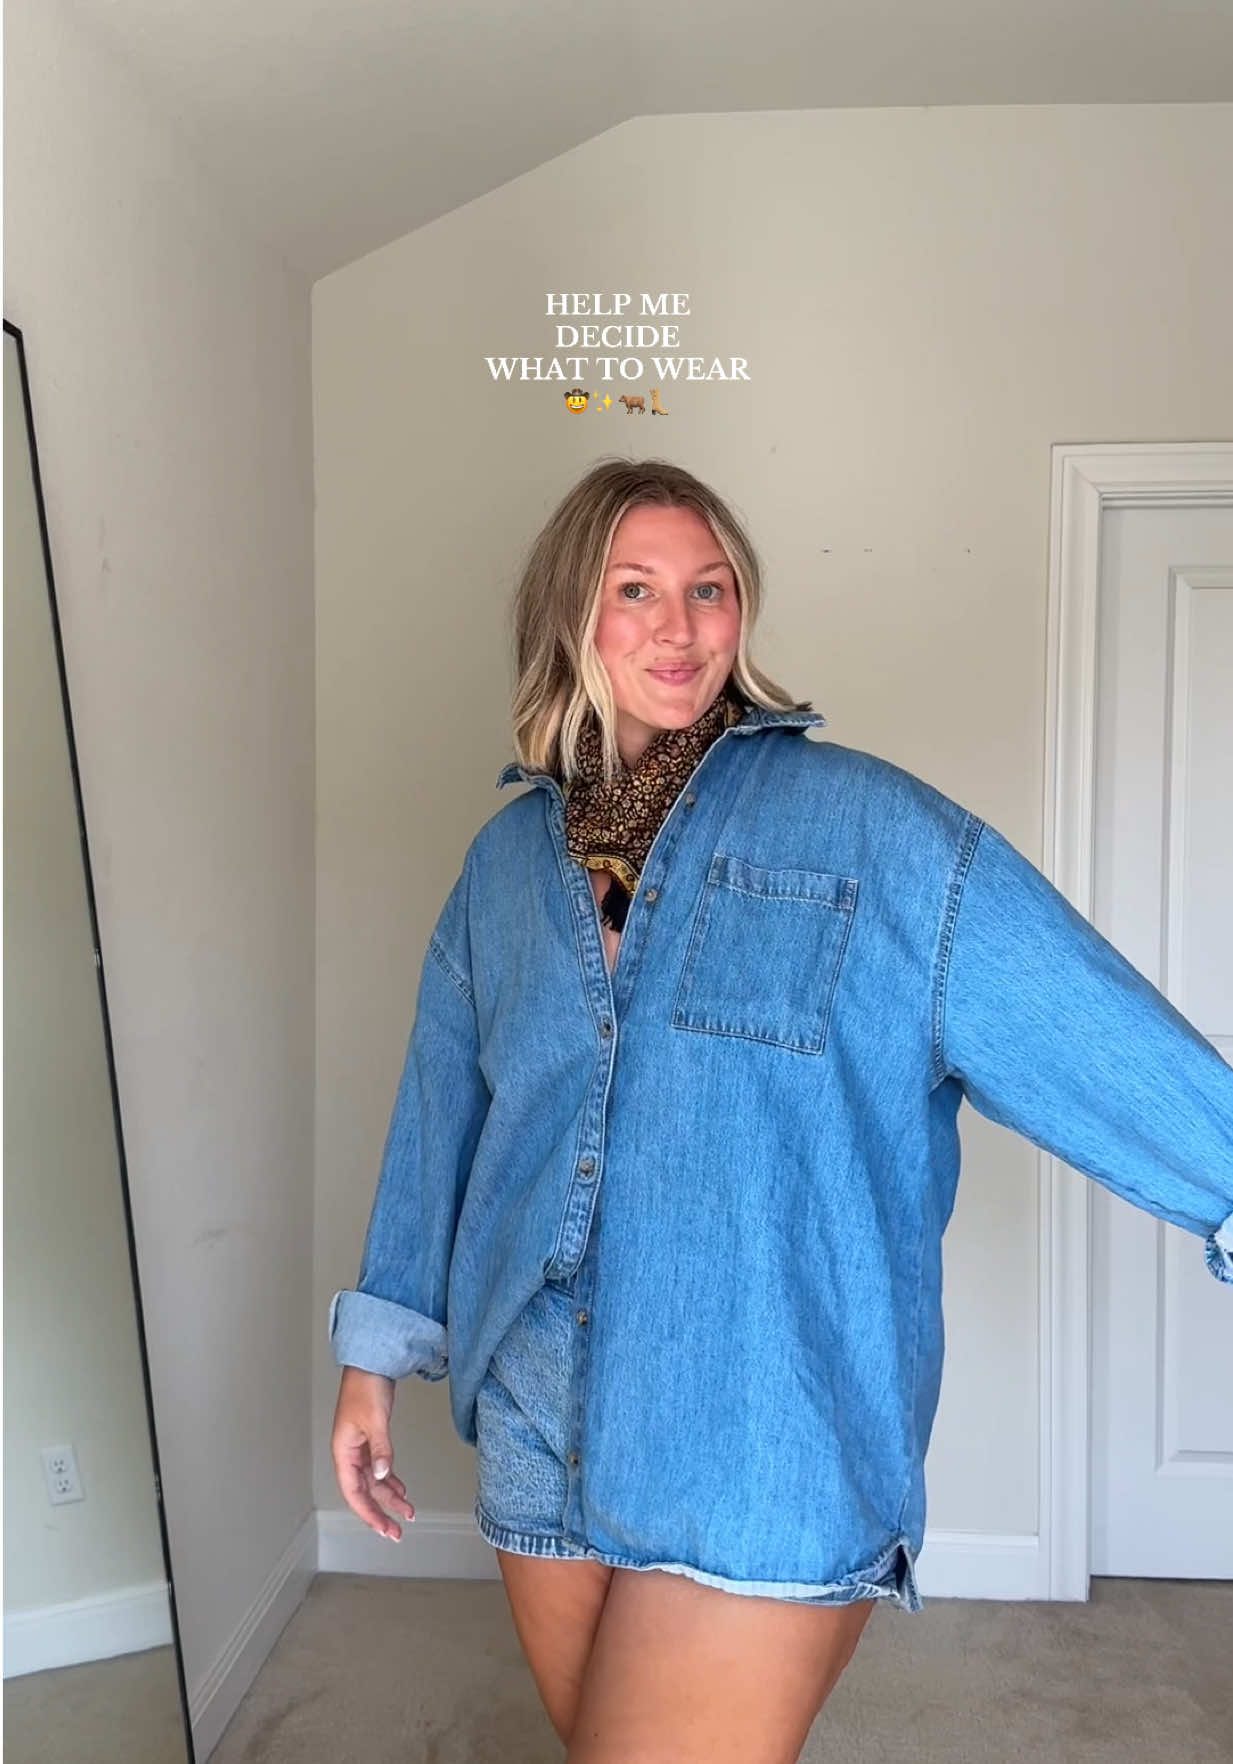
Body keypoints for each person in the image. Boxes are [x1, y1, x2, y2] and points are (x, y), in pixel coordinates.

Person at [329, 457, 1233, 1763]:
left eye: (710, 590)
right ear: (569, 614)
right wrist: (373, 1358)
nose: (680, 626)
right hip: (536, 1410)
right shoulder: (504, 868)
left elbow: (1084, 1026)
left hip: (763, 1412)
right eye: (635, 590)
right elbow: (441, 1118)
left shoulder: (871, 830)